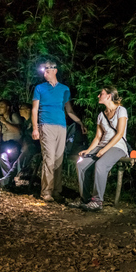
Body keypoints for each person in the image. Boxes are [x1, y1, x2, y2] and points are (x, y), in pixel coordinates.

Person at [32, 59, 87, 202]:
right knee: (49, 158)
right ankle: (46, 192)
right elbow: (34, 109)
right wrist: (35, 128)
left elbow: (69, 110)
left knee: (58, 159)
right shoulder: (39, 88)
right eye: (43, 70)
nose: (45, 72)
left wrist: (80, 122)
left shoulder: (64, 89)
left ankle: (56, 190)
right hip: (46, 125)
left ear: (55, 70)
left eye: (47, 69)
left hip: (61, 127)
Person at [71, 86, 128, 211]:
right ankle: (84, 199)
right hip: (101, 146)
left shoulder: (121, 110)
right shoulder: (101, 115)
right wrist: (89, 150)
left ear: (109, 96)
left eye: (101, 94)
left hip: (117, 147)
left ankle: (97, 201)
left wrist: (104, 150)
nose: (98, 96)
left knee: (101, 165)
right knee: (81, 164)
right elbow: (98, 137)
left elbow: (119, 134)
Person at [0, 103, 40, 187]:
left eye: (22, 108)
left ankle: (7, 180)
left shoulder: (35, 121)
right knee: (6, 155)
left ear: (28, 110)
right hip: (24, 146)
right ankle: (8, 180)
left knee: (20, 161)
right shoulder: (26, 122)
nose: (19, 109)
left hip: (33, 147)